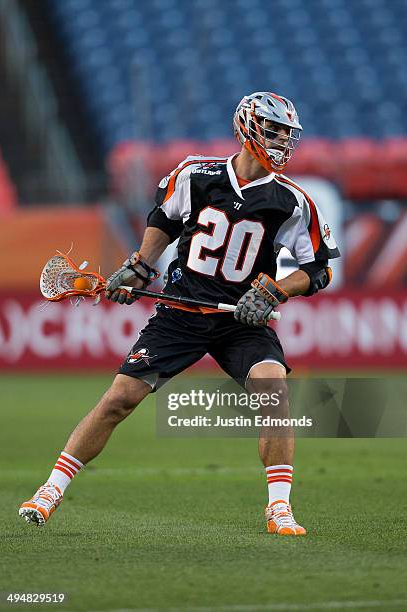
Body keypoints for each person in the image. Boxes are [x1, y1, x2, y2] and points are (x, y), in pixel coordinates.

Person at [19, 92, 340, 535]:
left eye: (289, 135)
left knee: (274, 395)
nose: (284, 142)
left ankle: (279, 508)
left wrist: (274, 291)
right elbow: (164, 221)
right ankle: (50, 489)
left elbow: (316, 269)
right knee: (119, 400)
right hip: (181, 312)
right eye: (275, 131)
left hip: (240, 320)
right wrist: (139, 267)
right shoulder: (197, 175)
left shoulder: (292, 201)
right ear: (247, 128)